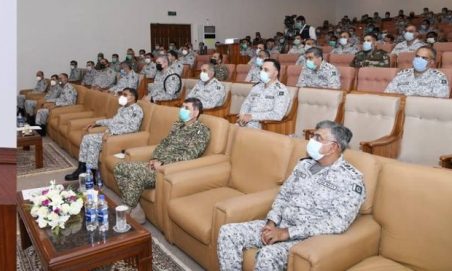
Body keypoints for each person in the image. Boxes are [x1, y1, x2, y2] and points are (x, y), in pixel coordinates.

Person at [218, 120, 365, 271]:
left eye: (318, 138)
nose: (311, 141)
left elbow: (337, 223)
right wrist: (271, 222)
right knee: (228, 233)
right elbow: (284, 195)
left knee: (267, 255)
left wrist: (287, 233)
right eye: (313, 136)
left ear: (333, 147)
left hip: (305, 239)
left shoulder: (351, 180)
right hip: (280, 225)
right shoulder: (304, 165)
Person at [114, 98, 210, 223]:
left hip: (170, 169)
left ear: (196, 113)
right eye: (182, 107)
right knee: (119, 168)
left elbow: (189, 155)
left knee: (134, 174)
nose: (182, 110)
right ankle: (135, 209)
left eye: (187, 108)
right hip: (157, 164)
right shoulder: (177, 125)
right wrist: (155, 158)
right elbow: (164, 143)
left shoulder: (201, 131)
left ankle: (127, 211)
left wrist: (163, 164)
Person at [64, 88, 144, 181]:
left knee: (91, 140)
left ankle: (89, 172)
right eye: (121, 94)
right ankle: (85, 170)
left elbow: (132, 128)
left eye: (125, 95)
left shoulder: (136, 110)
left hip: (120, 137)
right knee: (87, 138)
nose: (122, 96)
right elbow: (113, 121)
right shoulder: (122, 109)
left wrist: (112, 132)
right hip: (110, 133)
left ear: (133, 97)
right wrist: (97, 122)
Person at [238, 59, 291, 129]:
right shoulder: (257, 87)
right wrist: (242, 115)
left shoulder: (281, 90)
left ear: (275, 73)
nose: (261, 72)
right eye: (261, 69)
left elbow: (277, 115)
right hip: (245, 124)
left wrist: (252, 116)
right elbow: (246, 103)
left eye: (266, 70)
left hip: (264, 127)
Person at [385, 46, 449, 98]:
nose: (419, 60)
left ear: (432, 62)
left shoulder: (439, 77)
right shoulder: (402, 74)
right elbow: (387, 94)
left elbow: (441, 101)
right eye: (417, 56)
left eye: (424, 58)